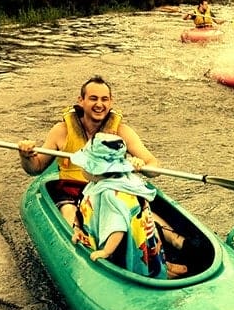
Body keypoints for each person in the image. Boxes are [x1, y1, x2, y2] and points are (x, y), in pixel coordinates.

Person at [17, 76, 159, 226]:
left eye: (104, 99)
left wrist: (139, 165)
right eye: (93, 98)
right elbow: (35, 168)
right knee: (69, 209)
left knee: (137, 207)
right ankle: (76, 239)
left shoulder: (122, 132)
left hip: (110, 189)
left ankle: (174, 240)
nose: (99, 104)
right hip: (71, 191)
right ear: (81, 100)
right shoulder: (61, 131)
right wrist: (26, 156)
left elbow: (154, 167)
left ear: (111, 102)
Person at [68, 133, 186, 279]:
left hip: (122, 246)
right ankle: (159, 268)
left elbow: (117, 228)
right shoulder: (120, 181)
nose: (81, 168)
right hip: (140, 241)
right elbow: (83, 209)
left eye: (84, 165)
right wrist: (77, 228)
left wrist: (106, 252)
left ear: (96, 169)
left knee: (133, 266)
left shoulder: (109, 195)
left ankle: (156, 273)